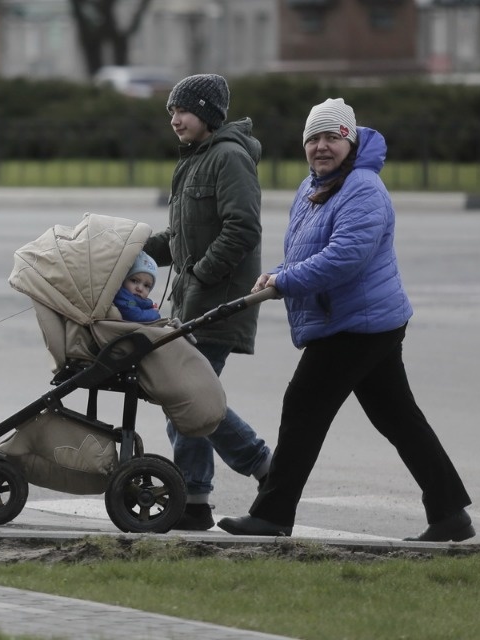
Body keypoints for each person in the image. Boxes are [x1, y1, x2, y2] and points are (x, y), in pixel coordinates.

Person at [217, 98, 474, 542]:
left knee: (303, 407)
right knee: (398, 418)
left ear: (349, 141)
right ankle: (450, 512)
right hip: (355, 320)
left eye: (331, 137)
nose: (321, 147)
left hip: (358, 324)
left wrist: (286, 280)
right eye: (313, 138)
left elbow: (345, 258)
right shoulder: (314, 186)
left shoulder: (362, 187)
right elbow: (307, 249)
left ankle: (273, 514)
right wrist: (278, 274)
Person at [143, 73, 272, 531]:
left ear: (209, 115)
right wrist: (129, 249)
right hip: (194, 301)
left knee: (189, 398)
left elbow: (242, 228)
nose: (175, 119)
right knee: (186, 399)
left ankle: (265, 470)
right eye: (172, 112)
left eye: (184, 111)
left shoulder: (229, 158)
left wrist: (200, 274)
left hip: (218, 304)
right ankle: (195, 500)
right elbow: (181, 238)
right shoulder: (196, 159)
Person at [113, 251, 161, 322]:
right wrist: (154, 313)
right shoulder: (124, 299)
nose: (140, 288)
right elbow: (136, 316)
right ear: (123, 279)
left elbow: (136, 304)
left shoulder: (132, 300)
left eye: (146, 285)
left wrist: (149, 306)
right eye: (134, 281)